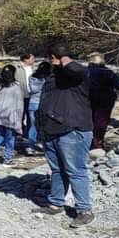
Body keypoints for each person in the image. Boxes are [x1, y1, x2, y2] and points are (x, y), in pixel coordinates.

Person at [38, 43, 95, 226]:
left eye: (53, 58)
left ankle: (84, 210)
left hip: (72, 131)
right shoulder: (54, 74)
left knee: (76, 170)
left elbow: (79, 70)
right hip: (52, 130)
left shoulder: (75, 73)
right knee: (57, 170)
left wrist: (64, 58)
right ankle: (56, 204)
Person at [0, 65, 24, 165]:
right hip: (10, 116)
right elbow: (19, 105)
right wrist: (19, 121)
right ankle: (7, 159)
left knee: (0, 136)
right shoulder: (15, 87)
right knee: (10, 138)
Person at [87, 53, 119, 150]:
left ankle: (88, 141)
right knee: (101, 122)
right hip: (105, 101)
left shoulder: (85, 72)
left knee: (89, 121)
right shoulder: (108, 72)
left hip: (88, 100)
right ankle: (97, 142)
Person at [25, 61, 52, 152]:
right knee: (44, 126)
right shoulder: (48, 79)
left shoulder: (31, 77)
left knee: (33, 126)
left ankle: (31, 146)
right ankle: (42, 143)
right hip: (44, 104)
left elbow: (33, 89)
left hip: (32, 103)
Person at [16, 53, 35, 141]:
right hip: (20, 96)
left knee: (31, 116)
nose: (34, 60)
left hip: (32, 96)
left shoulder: (34, 69)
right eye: (32, 58)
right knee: (20, 116)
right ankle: (19, 133)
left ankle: (28, 134)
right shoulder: (18, 69)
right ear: (26, 60)